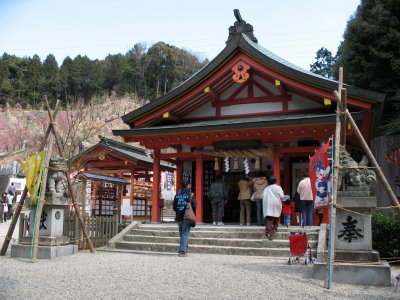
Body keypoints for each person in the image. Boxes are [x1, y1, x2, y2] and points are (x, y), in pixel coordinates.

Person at [173, 181, 196, 257]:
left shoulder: (177, 195)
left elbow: (174, 207)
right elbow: (194, 205)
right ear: (187, 185)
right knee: (185, 233)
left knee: (182, 233)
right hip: (187, 216)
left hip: (179, 216)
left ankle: (185, 248)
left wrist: (179, 210)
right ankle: (182, 251)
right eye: (189, 184)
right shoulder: (190, 194)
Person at [262, 176, 284, 240]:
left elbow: (262, 196)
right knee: (276, 216)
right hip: (276, 203)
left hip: (268, 204)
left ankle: (269, 232)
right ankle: (275, 228)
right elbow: (282, 196)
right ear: (276, 181)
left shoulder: (266, 188)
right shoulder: (278, 188)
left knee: (269, 219)